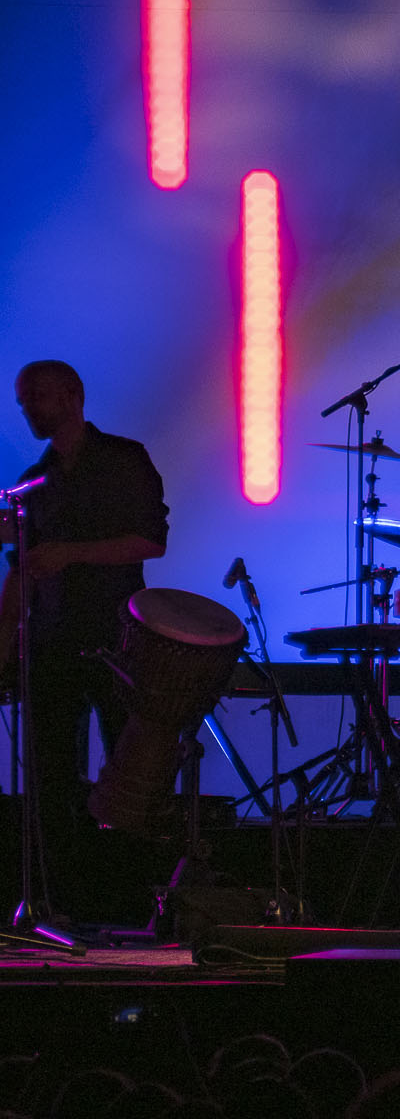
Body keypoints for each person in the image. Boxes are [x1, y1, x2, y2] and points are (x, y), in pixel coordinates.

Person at [1, 360, 169, 916]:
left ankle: (132, 900)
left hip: (116, 638)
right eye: (24, 399)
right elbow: (21, 569)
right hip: (50, 642)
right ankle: (60, 901)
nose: (28, 408)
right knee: (50, 778)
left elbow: (149, 540)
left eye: (38, 397)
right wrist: (5, 640)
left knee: (129, 774)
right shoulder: (35, 478)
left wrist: (69, 553)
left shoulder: (124, 459)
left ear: (73, 396)